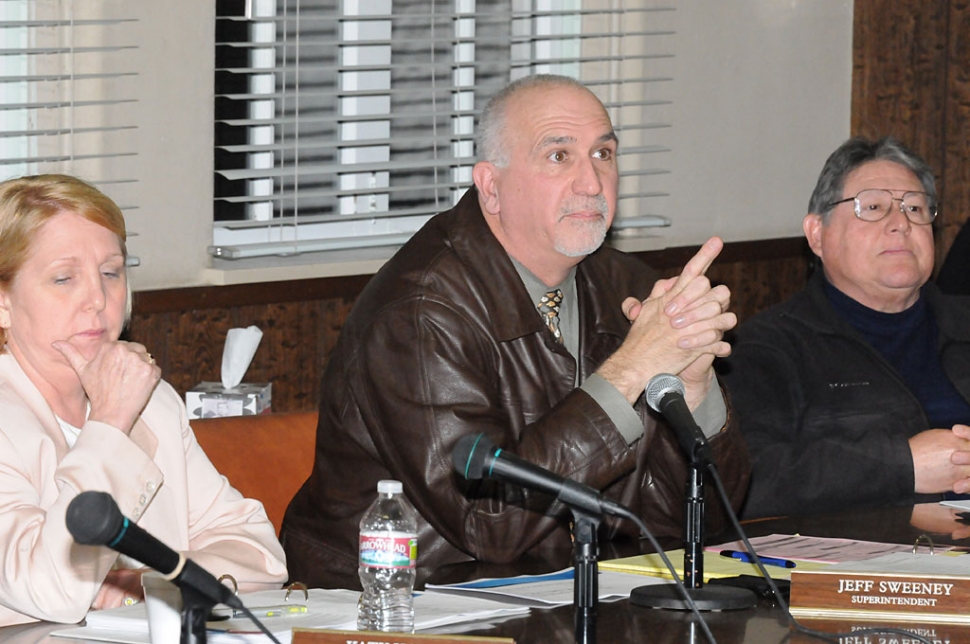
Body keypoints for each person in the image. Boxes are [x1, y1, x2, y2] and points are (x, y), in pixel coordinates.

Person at [281, 74, 750, 589]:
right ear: (491, 186)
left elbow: (695, 524)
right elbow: (488, 521)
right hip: (404, 599)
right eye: (559, 157)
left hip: (564, 590)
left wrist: (694, 390)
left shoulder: (629, 289)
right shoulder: (419, 311)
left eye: (604, 154)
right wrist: (633, 366)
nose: (592, 182)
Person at [0, 175, 287, 626]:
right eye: (63, 278)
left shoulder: (152, 403)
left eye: (111, 272)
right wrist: (110, 421)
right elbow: (51, 589)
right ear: (3, 300)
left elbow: (261, 557)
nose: (97, 299)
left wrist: (152, 579)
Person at [720, 136, 970, 519]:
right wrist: (902, 467)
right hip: (864, 565)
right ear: (817, 234)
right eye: (873, 207)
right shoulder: (766, 348)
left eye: (916, 208)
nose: (901, 224)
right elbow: (747, 482)